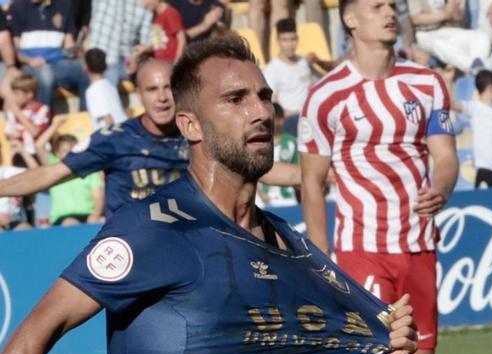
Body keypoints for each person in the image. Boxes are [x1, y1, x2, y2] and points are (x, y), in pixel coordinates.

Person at [0, 35, 418, 354]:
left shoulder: (283, 242)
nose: (260, 112)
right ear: (191, 125)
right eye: (235, 99)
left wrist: (368, 351)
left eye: (264, 97)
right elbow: (41, 325)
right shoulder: (151, 227)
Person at [299, 0, 459, 354]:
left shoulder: (428, 84)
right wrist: (322, 257)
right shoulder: (325, 96)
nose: (389, 12)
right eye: (376, 5)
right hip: (361, 245)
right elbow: (311, 181)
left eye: (393, 5)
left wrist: (443, 187)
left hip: (418, 244)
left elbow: (446, 156)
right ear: (349, 19)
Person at [0, 58, 303, 217]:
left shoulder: (199, 133)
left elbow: (258, 167)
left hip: (191, 247)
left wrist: (322, 174)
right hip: (135, 252)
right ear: (139, 95)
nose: (161, 98)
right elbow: (50, 174)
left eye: (168, 89)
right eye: (151, 90)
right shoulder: (113, 139)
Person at [17, 120, 106, 226]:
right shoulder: (54, 167)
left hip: (88, 216)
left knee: (104, 223)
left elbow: (98, 196)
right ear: (57, 153)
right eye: (63, 150)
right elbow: (39, 146)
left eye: (71, 150)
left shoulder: (90, 171)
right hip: (63, 218)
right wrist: (55, 126)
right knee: (70, 223)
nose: (67, 154)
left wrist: (95, 215)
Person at [9, 0, 90, 109]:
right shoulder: (17, 6)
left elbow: (68, 43)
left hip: (58, 62)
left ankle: (86, 116)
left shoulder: (64, 5)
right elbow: (16, 50)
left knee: (86, 68)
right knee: (45, 76)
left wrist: (77, 52)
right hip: (30, 64)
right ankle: (43, 119)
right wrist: (30, 60)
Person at [408, 0, 492, 74]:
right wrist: (444, 14)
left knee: (481, 37)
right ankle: (480, 68)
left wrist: (454, 8)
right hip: (424, 33)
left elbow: (460, 17)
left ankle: (478, 68)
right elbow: (415, 19)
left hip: (447, 30)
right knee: (438, 44)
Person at [262, 19, 319, 131]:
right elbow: (273, 104)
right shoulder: (272, 69)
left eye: (293, 39)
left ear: (297, 40)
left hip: (310, 116)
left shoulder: (304, 62)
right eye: (285, 40)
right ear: (278, 41)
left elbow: (321, 85)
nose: (289, 45)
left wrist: (318, 62)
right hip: (289, 121)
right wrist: (298, 113)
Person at [87, 0, 154, 85]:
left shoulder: (145, 3)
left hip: (124, 62)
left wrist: (136, 58)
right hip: (95, 54)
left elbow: (145, 42)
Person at [3, 74, 50, 159]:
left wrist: (18, 113)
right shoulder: (12, 112)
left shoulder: (42, 109)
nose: (13, 98)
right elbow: (9, 131)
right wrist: (12, 135)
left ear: (29, 94)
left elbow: (35, 132)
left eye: (17, 94)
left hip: (37, 153)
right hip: (19, 154)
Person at [84, 48, 128, 130]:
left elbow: (108, 119)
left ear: (85, 67)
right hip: (124, 129)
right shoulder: (111, 86)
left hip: (113, 136)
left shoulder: (92, 91)